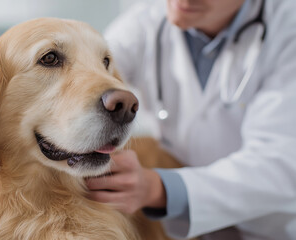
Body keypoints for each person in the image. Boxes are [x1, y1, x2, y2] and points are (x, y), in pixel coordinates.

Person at [85, 0, 296, 239]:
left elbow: (280, 165)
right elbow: (86, 82)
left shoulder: (288, 31)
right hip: (185, 225)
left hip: (271, 228)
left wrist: (158, 188)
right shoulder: (144, 24)